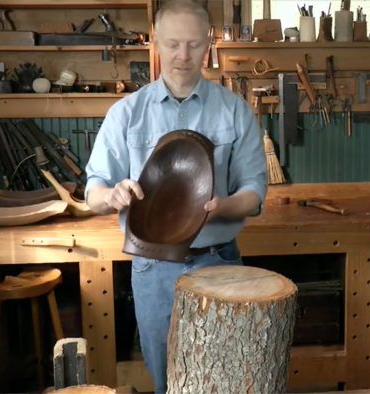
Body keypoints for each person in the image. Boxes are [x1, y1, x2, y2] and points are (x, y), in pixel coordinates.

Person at [84, 1, 267, 392]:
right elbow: (92, 192)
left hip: (218, 262)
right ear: (155, 44)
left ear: (209, 45)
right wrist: (112, 194)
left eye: (193, 44)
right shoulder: (126, 114)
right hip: (152, 268)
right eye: (172, 44)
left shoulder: (235, 112)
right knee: (166, 377)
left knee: (226, 377)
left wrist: (223, 207)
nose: (183, 56)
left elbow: (253, 193)